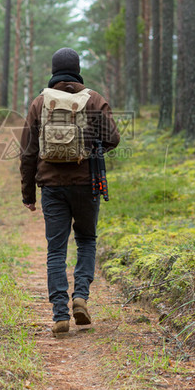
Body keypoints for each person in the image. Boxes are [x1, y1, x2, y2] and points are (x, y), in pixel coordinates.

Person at [20, 47, 120, 335]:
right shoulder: (94, 99)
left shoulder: (40, 102)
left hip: (52, 188)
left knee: (56, 250)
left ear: (53, 70)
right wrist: (91, 147)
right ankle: (81, 297)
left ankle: (60, 314)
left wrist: (28, 194)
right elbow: (113, 138)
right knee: (87, 240)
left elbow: (28, 152)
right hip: (88, 183)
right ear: (77, 68)